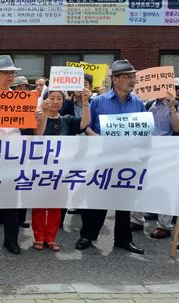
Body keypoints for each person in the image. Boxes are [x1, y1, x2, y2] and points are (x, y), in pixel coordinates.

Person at [76, 59, 146, 254]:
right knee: (97, 198)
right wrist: (96, 137)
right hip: (102, 158)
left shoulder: (139, 103)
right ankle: (88, 235)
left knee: (124, 202)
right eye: (127, 76)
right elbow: (85, 125)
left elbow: (144, 132)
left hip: (127, 159)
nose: (132, 80)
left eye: (133, 76)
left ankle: (123, 240)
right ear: (115, 79)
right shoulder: (98, 101)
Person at [0, 55, 42, 255]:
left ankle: (11, 240)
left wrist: (38, 117)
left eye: (12, 73)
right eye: (6, 73)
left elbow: (32, 128)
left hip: (14, 154)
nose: (11, 76)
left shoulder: (23, 99)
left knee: (12, 201)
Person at [32, 88, 91, 251]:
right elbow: (38, 134)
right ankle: (38, 237)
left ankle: (51, 238)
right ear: (45, 100)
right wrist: (43, 113)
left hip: (61, 170)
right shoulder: (38, 117)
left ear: (63, 101)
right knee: (38, 205)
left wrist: (86, 103)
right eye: (52, 98)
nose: (56, 101)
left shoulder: (67, 120)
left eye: (59, 98)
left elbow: (84, 124)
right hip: (40, 169)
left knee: (55, 206)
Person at [129, 87, 179, 239]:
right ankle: (136, 220)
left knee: (165, 188)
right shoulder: (149, 105)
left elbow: (177, 127)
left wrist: (171, 108)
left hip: (167, 152)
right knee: (140, 185)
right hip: (147, 150)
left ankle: (164, 226)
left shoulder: (175, 105)